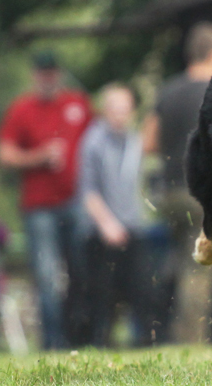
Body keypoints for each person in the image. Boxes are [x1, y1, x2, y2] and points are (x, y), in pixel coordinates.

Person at [142, 21, 212, 343]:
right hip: (201, 195)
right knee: (200, 273)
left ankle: (161, 330)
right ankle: (191, 341)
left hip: (169, 194)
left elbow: (148, 143)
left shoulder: (168, 90)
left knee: (178, 263)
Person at [0, 52, 93, 349]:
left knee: (81, 270)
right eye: (43, 73)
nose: (48, 79)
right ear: (35, 76)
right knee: (48, 275)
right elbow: (6, 154)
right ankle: (53, 342)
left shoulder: (77, 104)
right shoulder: (22, 109)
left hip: (76, 201)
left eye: (52, 73)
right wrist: (39, 156)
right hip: (39, 206)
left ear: (59, 74)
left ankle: (80, 334)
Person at [79, 84, 157, 346]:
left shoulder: (134, 141)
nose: (121, 116)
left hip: (133, 226)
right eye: (116, 110)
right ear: (104, 111)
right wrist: (107, 224)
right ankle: (99, 344)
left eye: (126, 110)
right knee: (102, 296)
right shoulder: (93, 141)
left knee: (142, 291)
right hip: (101, 231)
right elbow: (88, 191)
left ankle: (144, 344)